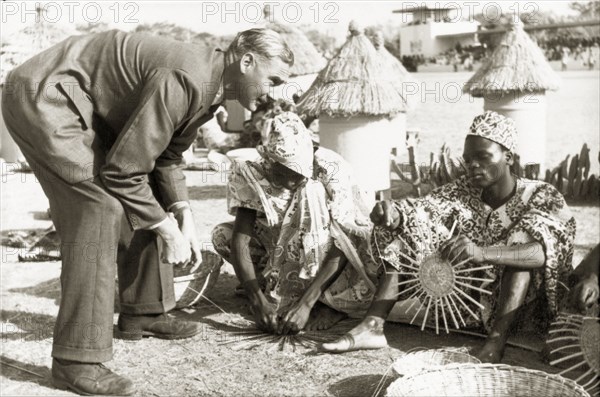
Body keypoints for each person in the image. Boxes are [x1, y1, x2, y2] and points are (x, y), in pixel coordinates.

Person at [1, 28, 293, 395]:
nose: (274, 91)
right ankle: (75, 361)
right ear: (246, 61)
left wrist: (183, 214)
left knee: (144, 191)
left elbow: (165, 157)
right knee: (97, 207)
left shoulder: (213, 87)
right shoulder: (187, 76)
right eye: (274, 79)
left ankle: (144, 309)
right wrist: (167, 231)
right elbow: (123, 173)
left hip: (81, 102)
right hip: (46, 96)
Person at [320, 111, 576, 363]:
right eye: (468, 159)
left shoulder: (542, 195)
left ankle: (494, 344)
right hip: (468, 306)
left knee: (520, 244)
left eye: (483, 157)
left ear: (507, 156)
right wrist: (394, 214)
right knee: (412, 224)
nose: (473, 165)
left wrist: (481, 252)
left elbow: (542, 252)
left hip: (527, 311)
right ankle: (373, 325)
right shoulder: (463, 190)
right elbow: (423, 207)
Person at [211, 111, 379, 334]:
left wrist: (306, 304)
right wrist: (256, 299)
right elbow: (241, 239)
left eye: (297, 173)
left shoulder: (332, 170)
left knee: (314, 193)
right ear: (270, 161)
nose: (290, 181)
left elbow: (346, 241)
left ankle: (325, 303)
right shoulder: (251, 172)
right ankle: (270, 290)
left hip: (331, 251)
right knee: (221, 235)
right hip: (279, 248)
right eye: (283, 172)